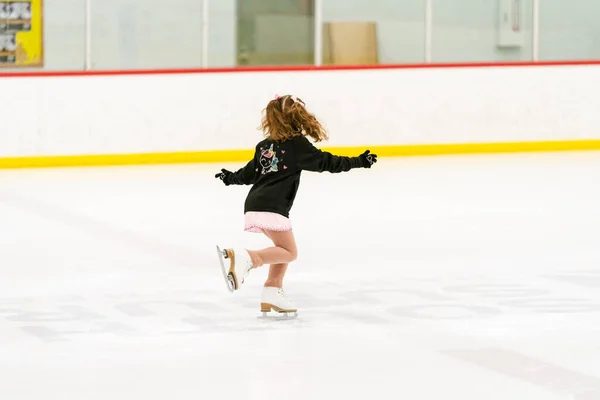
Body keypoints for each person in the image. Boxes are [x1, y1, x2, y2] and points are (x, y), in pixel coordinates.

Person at [215, 94, 377, 315]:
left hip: (254, 205)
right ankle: (249, 258)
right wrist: (359, 161)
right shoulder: (296, 146)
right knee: (289, 252)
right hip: (272, 208)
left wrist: (230, 178)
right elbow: (327, 162)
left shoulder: (264, 146)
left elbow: (249, 173)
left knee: (281, 249)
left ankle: (273, 290)